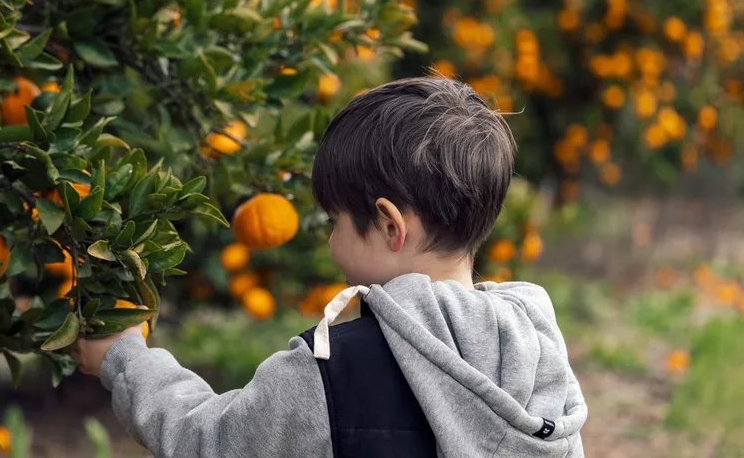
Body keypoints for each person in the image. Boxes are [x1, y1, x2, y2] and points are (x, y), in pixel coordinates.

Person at [72, 77, 587, 457]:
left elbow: (205, 440)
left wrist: (125, 359)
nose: (328, 239)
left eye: (333, 220)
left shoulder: (330, 373)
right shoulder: (538, 354)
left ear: (390, 226)